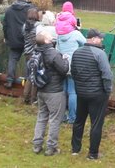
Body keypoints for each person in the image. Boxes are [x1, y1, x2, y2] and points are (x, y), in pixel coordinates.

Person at [69, 28, 113, 160]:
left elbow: (73, 72)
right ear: (93, 39)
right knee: (96, 123)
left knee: (79, 121)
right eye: (100, 38)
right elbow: (107, 75)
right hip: (97, 95)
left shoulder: (76, 52)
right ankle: (93, 154)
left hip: (81, 93)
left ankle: (75, 149)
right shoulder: (99, 54)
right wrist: (107, 90)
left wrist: (80, 86)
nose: (102, 40)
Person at [31, 27, 69, 156]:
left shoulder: (36, 52)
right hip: (54, 91)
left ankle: (37, 145)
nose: (52, 37)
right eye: (49, 36)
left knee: (41, 117)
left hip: (41, 89)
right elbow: (63, 69)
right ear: (46, 41)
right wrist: (65, 60)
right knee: (54, 119)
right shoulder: (53, 53)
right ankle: (51, 147)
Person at [56, 9, 86, 123]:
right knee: (73, 92)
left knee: (63, 91)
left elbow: (57, 49)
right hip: (74, 65)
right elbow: (85, 43)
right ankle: (72, 117)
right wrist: (79, 30)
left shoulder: (59, 35)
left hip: (61, 65)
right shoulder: (75, 34)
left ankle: (61, 116)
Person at [3, 0, 33, 88]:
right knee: (28, 61)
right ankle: (27, 82)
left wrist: (6, 37)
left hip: (14, 39)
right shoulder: (31, 9)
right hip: (28, 39)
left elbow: (5, 25)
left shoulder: (9, 10)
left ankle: (10, 81)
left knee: (13, 60)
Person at [23, 7, 42, 104]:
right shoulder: (38, 26)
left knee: (29, 76)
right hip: (35, 54)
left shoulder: (25, 25)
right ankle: (33, 99)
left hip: (27, 53)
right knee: (35, 76)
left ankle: (25, 97)